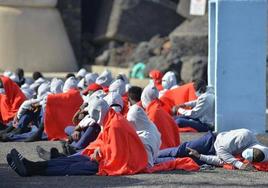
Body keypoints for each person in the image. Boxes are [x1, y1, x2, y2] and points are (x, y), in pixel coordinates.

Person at [7, 96, 148, 176]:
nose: (91, 116)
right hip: (108, 157)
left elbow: (117, 156)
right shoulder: (111, 118)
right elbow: (106, 143)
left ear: (98, 111)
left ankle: (31, 169)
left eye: (92, 113)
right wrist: (94, 151)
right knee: (69, 161)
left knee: (72, 167)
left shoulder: (115, 124)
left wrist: (98, 154)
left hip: (119, 163)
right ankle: (31, 165)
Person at [158, 128, 268, 170]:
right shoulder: (244, 136)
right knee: (181, 151)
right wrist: (238, 164)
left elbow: (222, 160)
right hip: (211, 142)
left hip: (213, 156)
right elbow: (221, 150)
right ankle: (154, 155)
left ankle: (153, 161)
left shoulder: (255, 157)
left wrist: (200, 156)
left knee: (182, 161)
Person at [141, 84, 180, 149]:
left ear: (145, 97)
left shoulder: (153, 112)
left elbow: (149, 137)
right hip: (171, 147)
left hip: (162, 150)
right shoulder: (158, 108)